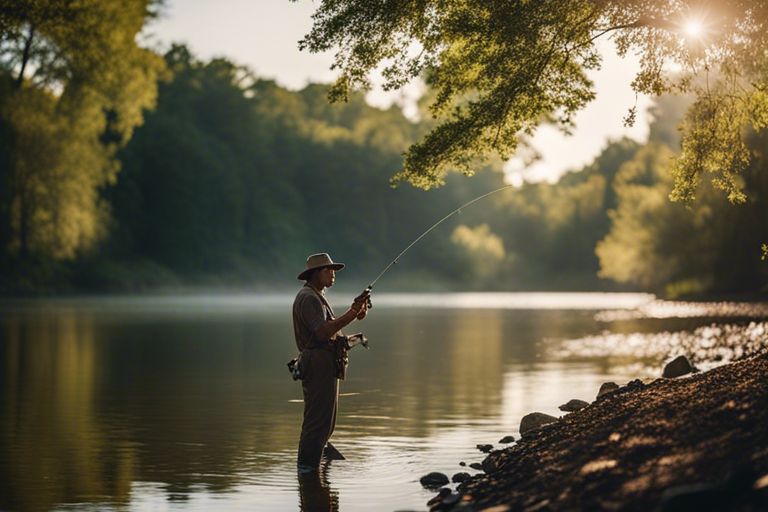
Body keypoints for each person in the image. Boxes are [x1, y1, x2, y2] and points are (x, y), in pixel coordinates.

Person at [292, 253, 370, 473]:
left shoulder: (317, 296)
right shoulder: (308, 298)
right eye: (328, 269)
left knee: (325, 422)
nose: (333, 273)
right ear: (315, 274)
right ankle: (307, 472)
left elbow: (331, 333)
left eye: (333, 269)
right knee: (317, 423)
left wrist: (356, 314)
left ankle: (316, 470)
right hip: (317, 364)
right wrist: (351, 313)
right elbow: (321, 333)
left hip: (324, 363)